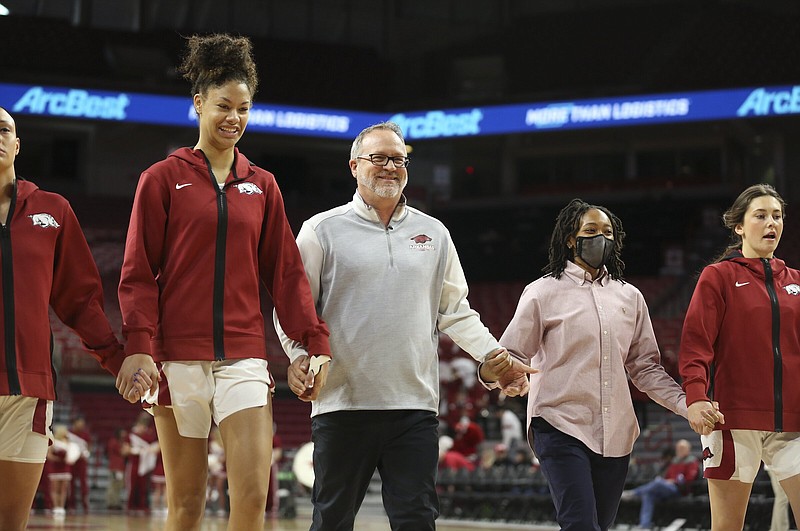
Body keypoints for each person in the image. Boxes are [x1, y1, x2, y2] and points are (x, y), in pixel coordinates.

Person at [116, 33, 331, 531]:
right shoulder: (161, 179)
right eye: (223, 106)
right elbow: (137, 273)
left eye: (244, 108)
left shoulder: (263, 185)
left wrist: (312, 340)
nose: (234, 118)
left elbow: (285, 272)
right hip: (178, 358)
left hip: (244, 358)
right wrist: (140, 344)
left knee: (253, 496)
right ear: (198, 104)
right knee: (187, 507)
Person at [274, 121, 534, 530]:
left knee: (416, 520)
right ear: (354, 166)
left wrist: (494, 355)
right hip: (343, 403)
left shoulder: (434, 233)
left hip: (414, 406)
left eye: (399, 159)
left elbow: (455, 310)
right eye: (378, 158)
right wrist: (299, 356)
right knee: (332, 520)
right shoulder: (320, 230)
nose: (390, 167)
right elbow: (292, 306)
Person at [496, 198, 718, 531]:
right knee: (580, 524)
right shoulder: (541, 293)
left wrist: (688, 405)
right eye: (591, 230)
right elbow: (511, 353)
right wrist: (501, 375)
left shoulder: (631, 297)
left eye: (608, 231)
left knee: (600, 525)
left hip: (616, 434)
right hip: (559, 424)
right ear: (571, 238)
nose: (601, 237)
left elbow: (645, 369)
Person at [0, 106, 154, 531]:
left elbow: (80, 301)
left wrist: (116, 358)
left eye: (3, 129)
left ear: (17, 145)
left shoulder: (52, 210)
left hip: (26, 393)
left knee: (11, 522)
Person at [679, 183, 800, 530]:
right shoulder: (718, 277)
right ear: (740, 226)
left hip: (793, 423)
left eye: (777, 216)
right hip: (732, 421)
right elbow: (695, 343)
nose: (771, 223)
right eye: (760, 216)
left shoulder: (797, 284)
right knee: (728, 527)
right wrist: (696, 397)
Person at [622, 439, 700, 529]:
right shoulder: (675, 461)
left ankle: (634, 493)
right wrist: (667, 481)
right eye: (678, 448)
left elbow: (689, 479)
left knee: (658, 482)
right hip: (667, 488)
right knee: (649, 494)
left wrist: (673, 481)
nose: (679, 450)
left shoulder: (692, 462)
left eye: (682, 448)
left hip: (680, 489)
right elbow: (667, 476)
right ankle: (644, 525)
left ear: (688, 449)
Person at [67, 416, 91, 513]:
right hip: (72, 461)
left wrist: (86, 453)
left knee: (83, 483)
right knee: (71, 483)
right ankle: (71, 505)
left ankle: (85, 505)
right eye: (80, 423)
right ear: (75, 423)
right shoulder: (69, 433)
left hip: (82, 462)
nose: (82, 425)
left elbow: (89, 447)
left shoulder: (85, 434)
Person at [105, 427, 129, 510]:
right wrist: (127, 448)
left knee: (118, 485)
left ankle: (115, 502)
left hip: (119, 467)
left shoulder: (118, 442)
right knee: (114, 485)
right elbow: (123, 452)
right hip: (116, 467)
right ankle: (112, 503)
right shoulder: (114, 442)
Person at [766, 464, 790, 531]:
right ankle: (782, 529)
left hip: (777, 466)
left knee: (781, 498)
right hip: (777, 465)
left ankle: (774, 529)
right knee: (782, 498)